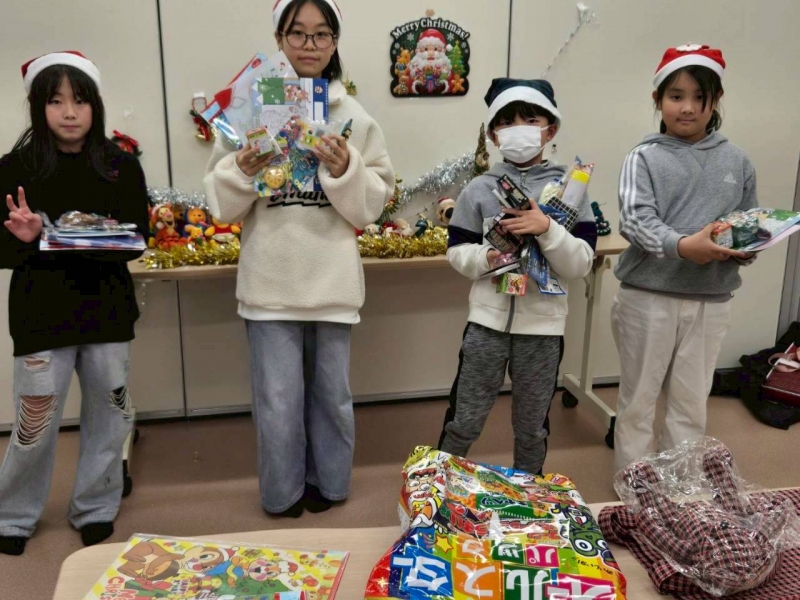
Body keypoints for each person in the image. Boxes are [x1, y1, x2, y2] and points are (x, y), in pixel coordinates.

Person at [204, 0, 394, 517]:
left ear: (334, 42)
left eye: (321, 34)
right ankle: (283, 492)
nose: (309, 45)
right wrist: (241, 170)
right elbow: (220, 205)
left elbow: (372, 205)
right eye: (297, 33)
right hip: (269, 283)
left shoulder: (354, 117)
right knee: (278, 401)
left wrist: (346, 167)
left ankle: (329, 484)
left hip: (331, 282)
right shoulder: (249, 111)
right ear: (279, 38)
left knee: (332, 397)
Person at [0, 51, 149, 555]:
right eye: (56, 101)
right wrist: (25, 238)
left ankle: (95, 507)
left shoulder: (120, 166)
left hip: (108, 314)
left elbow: (137, 240)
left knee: (111, 416)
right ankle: (13, 515)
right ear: (38, 106)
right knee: (35, 424)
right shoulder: (13, 169)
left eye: (80, 101)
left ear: (95, 105)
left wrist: (51, 235)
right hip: (41, 316)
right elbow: (1, 251)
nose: (69, 112)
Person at [438, 78, 597, 475]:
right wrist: (487, 257)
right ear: (494, 135)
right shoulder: (479, 189)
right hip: (486, 326)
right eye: (507, 122)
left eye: (531, 120)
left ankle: (530, 494)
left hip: (542, 332)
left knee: (531, 428)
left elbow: (581, 263)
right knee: (464, 419)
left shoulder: (571, 190)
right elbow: (457, 250)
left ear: (550, 129)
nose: (519, 129)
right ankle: (439, 487)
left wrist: (547, 228)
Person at [612, 44, 756, 471]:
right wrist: (682, 246)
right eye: (676, 96)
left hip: (711, 299)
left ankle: (681, 488)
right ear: (658, 99)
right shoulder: (644, 157)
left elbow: (746, 224)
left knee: (691, 402)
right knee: (638, 400)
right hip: (648, 296)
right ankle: (634, 488)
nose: (688, 107)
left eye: (700, 97)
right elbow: (635, 221)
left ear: (716, 100)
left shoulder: (737, 161)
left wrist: (746, 248)